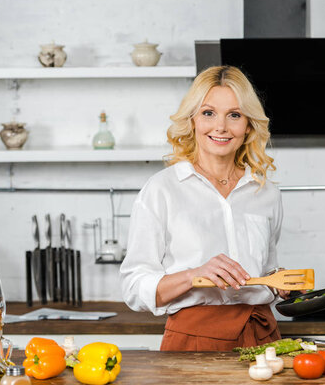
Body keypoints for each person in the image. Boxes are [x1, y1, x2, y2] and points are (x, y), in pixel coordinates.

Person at [120, 65, 288, 351]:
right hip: (192, 343)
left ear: (248, 125)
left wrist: (278, 282)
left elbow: (263, 270)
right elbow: (134, 287)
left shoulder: (266, 193)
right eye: (208, 113)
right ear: (193, 120)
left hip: (262, 339)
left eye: (234, 115)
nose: (221, 127)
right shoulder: (162, 189)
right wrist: (194, 275)